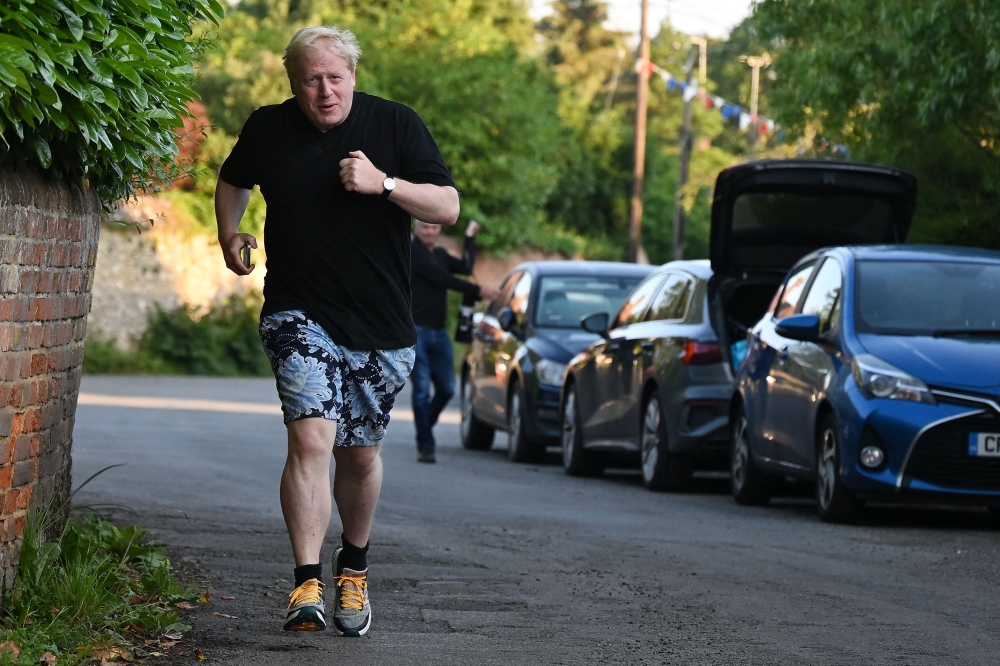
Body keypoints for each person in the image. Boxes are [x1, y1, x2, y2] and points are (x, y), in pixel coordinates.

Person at [214, 25, 459, 637]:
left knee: (359, 453)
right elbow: (232, 179)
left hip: (382, 325)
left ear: (354, 75)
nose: (325, 92)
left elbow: (447, 206)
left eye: (335, 78)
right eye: (311, 80)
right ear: (293, 82)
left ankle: (353, 564)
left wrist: (387, 184)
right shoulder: (269, 127)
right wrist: (229, 230)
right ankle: (305, 582)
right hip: (299, 314)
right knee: (311, 439)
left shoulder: (396, 125)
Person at [410, 220, 499, 463]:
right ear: (416, 229)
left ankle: (424, 426)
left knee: (448, 388)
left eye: (434, 227)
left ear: (439, 230)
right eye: (424, 227)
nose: (430, 231)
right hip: (416, 332)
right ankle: (425, 445)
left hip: (439, 333)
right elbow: (441, 279)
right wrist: (477, 289)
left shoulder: (439, 254)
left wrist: (469, 237)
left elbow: (466, 266)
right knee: (420, 391)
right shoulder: (412, 253)